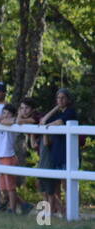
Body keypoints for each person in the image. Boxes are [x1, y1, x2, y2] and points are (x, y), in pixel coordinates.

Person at [38, 88, 80, 216]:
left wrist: (48, 125)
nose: (60, 100)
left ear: (68, 99)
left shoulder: (70, 112)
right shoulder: (57, 113)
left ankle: (72, 211)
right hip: (57, 153)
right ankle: (62, 211)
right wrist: (55, 108)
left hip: (68, 154)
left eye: (63, 98)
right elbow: (43, 121)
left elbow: (59, 122)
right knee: (56, 187)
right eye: (58, 98)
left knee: (68, 185)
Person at [0, 102, 22, 213]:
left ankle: (12, 209)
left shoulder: (12, 124)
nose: (5, 115)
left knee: (10, 187)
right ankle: (23, 204)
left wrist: (1, 120)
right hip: (1, 157)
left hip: (9, 156)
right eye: (3, 113)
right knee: (3, 187)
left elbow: (12, 121)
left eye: (8, 113)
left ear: (13, 115)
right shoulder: (1, 122)